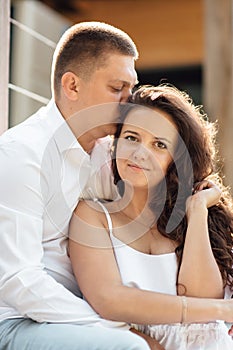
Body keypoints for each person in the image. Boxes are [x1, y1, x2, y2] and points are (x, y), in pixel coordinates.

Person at [0, 21, 160, 350]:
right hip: (18, 321)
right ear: (72, 86)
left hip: (87, 312)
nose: (129, 102)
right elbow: (19, 282)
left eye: (131, 90)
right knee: (130, 349)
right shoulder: (21, 154)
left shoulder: (109, 154)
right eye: (117, 89)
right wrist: (115, 327)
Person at [69, 84, 233, 349]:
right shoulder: (93, 216)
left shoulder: (191, 219)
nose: (139, 153)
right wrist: (221, 310)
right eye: (132, 138)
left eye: (159, 145)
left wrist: (197, 210)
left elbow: (203, 299)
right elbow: (108, 300)